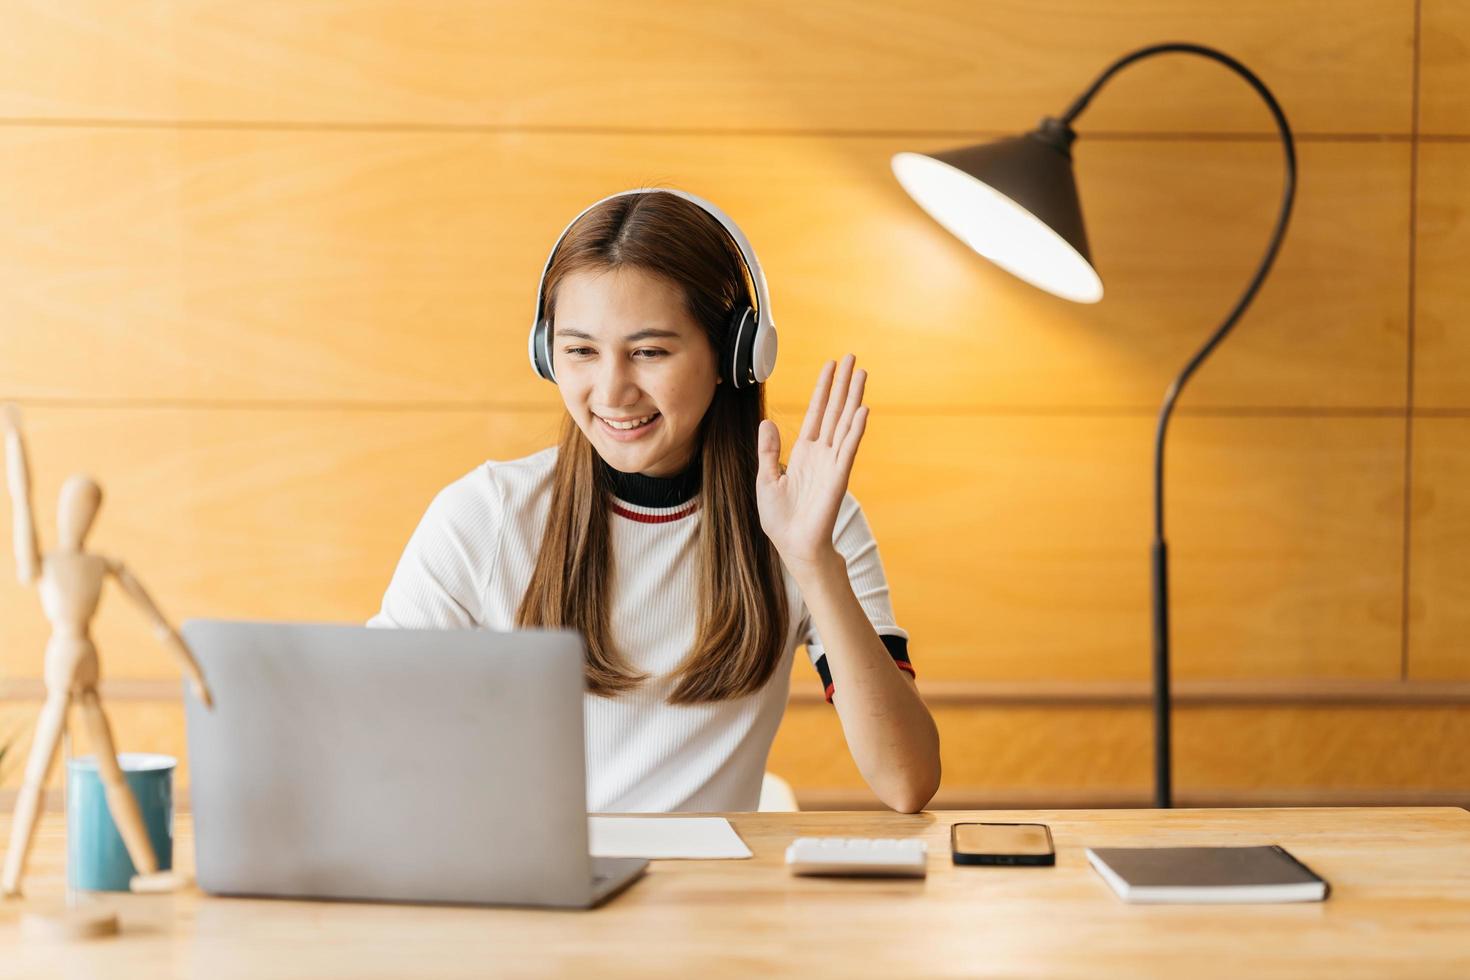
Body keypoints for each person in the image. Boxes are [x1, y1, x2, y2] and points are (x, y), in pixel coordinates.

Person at [368, 188, 940, 813]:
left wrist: (813, 562)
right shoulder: (485, 515)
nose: (612, 390)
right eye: (581, 350)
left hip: (709, 900)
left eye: (648, 352)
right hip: (534, 896)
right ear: (546, 352)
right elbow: (368, 740)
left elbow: (906, 781)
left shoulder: (808, 520)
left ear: (733, 357)